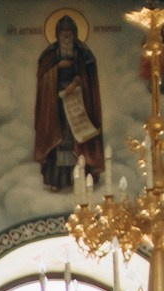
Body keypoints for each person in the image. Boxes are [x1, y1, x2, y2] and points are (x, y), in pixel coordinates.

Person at [32, 14, 103, 194]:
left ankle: (81, 177)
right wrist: (58, 69)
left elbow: (90, 79)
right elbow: (43, 80)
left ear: (75, 32)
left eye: (69, 31)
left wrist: (79, 82)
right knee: (59, 139)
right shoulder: (50, 54)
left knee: (77, 139)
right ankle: (57, 179)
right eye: (62, 31)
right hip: (55, 105)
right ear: (57, 33)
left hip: (79, 104)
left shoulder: (83, 52)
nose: (66, 35)